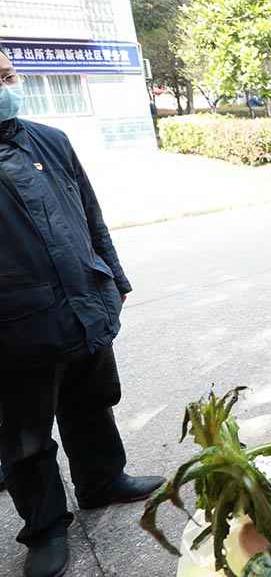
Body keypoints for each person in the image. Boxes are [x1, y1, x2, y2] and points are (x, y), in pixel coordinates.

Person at [0, 46, 164, 577]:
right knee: (25, 438)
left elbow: (91, 217)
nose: (9, 87)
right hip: (16, 325)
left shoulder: (50, 139)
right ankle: (46, 530)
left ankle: (102, 481)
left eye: (9, 74)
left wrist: (114, 277)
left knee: (92, 402)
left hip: (83, 302)